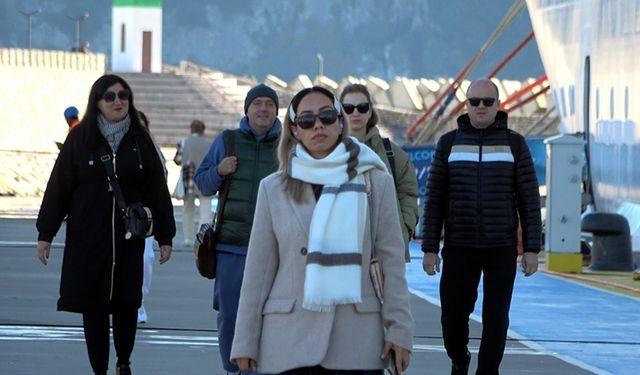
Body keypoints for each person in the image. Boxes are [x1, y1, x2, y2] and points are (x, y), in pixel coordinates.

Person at [230, 86, 414, 374]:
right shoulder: (273, 188)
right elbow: (258, 272)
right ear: (295, 130)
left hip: (356, 341)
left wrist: (400, 332)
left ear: (340, 123)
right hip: (288, 341)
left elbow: (392, 263)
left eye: (327, 116)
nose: (318, 125)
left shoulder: (376, 182)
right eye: (306, 120)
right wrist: (244, 342)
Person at [36, 74, 176, 375]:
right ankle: (99, 369)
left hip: (129, 238)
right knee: (94, 308)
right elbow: (59, 186)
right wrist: (45, 233)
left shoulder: (140, 140)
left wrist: (166, 236)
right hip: (89, 239)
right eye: (110, 96)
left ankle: (123, 360)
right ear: (97, 102)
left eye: (123, 95)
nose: (118, 101)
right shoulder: (80, 138)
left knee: (127, 304)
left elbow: (157, 190)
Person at [421, 79, 542, 375]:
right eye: (475, 101)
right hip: (459, 246)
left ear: (498, 105)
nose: (481, 107)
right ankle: (459, 358)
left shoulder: (515, 143)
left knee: (496, 317)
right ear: (466, 105)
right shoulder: (448, 143)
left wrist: (532, 249)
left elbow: (529, 198)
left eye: (488, 102)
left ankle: (487, 372)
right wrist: (429, 247)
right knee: (452, 315)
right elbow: (434, 198)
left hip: (500, 247)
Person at [195, 83, 282, 374]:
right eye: (257, 103)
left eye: (269, 104)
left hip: (276, 249)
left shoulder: (289, 144)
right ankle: (233, 370)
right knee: (230, 316)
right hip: (231, 247)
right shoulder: (227, 140)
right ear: (247, 109)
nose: (263, 109)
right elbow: (203, 183)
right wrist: (220, 171)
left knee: (272, 317)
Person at [339, 84, 419, 261]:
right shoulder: (327, 152)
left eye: (362, 107)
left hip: (384, 249)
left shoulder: (392, 153)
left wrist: (403, 229)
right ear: (340, 112)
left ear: (370, 112)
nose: (355, 113)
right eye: (348, 108)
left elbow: (408, 194)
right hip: (340, 247)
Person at [136, 111, 168, 324]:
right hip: (115, 214)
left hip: (144, 216)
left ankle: (138, 302)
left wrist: (166, 235)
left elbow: (162, 181)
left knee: (146, 259)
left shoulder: (152, 149)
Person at [173, 120, 213, 246]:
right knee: (205, 210)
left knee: (188, 210)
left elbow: (178, 160)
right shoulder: (209, 144)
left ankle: (188, 238)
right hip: (205, 180)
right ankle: (202, 236)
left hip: (188, 179)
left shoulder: (184, 142)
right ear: (203, 130)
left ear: (191, 129)